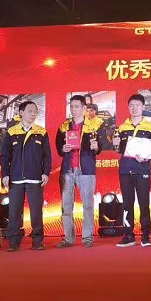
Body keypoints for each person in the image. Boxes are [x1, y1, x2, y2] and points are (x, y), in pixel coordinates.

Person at [0, 101, 52, 252]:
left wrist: (45, 173)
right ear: (21, 113)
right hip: (15, 178)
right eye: (30, 111)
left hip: (35, 178)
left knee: (36, 212)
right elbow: (5, 156)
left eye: (35, 111)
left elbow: (47, 156)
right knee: (14, 212)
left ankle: (37, 241)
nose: (33, 114)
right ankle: (13, 242)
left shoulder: (41, 132)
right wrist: (5, 174)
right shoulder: (12, 132)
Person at [56, 95, 106, 248]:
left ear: (84, 108)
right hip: (67, 170)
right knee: (66, 206)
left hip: (86, 169)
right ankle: (68, 238)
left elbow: (101, 145)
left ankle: (87, 237)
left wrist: (96, 147)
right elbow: (58, 147)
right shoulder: (64, 126)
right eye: (71, 106)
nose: (74, 109)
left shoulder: (95, 125)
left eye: (77, 106)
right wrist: (63, 149)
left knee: (88, 205)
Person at [113, 94, 151, 247]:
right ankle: (128, 235)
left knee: (144, 203)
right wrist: (115, 144)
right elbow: (119, 149)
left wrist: (147, 157)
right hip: (125, 169)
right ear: (128, 108)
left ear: (143, 107)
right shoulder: (122, 127)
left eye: (137, 105)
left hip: (142, 169)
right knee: (127, 204)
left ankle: (146, 236)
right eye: (131, 105)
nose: (134, 108)